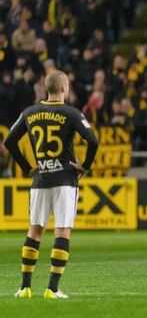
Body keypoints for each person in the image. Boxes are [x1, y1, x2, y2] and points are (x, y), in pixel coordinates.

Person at [5, 70, 99, 299]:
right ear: (65, 88)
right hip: (65, 180)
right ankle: (52, 289)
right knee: (62, 231)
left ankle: (25, 287)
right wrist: (85, 166)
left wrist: (27, 168)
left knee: (35, 230)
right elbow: (93, 140)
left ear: (47, 89)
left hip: (41, 179)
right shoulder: (70, 112)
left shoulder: (29, 112)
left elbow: (9, 141)